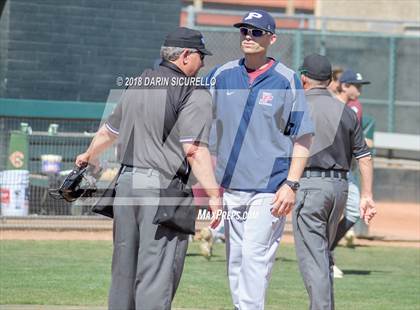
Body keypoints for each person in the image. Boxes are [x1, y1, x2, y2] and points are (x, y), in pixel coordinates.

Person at [75, 27, 222, 310]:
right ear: (186, 56)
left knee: (123, 273)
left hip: (127, 186)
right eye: (201, 56)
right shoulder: (194, 91)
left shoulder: (139, 82)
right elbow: (193, 149)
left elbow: (109, 131)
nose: (203, 63)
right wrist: (214, 195)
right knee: (156, 276)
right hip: (161, 190)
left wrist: (89, 154)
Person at [207, 10, 313, 310]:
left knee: (255, 256)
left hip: (269, 189)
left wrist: (291, 184)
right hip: (230, 186)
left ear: (272, 38)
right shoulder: (221, 74)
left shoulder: (286, 79)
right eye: (244, 31)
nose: (248, 37)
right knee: (236, 259)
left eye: (256, 32)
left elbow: (302, 137)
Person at [294, 54, 377, 310]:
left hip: (310, 186)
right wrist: (367, 195)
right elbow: (364, 157)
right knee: (323, 254)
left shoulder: (298, 106)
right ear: (330, 80)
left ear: (303, 78)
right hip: (339, 188)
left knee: (313, 258)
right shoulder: (347, 111)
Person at [330, 69, 373, 278]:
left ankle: (326, 251)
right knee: (328, 215)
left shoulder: (355, 107)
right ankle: (324, 255)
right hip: (327, 169)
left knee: (354, 211)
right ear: (344, 85)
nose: (360, 90)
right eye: (357, 86)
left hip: (346, 169)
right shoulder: (331, 103)